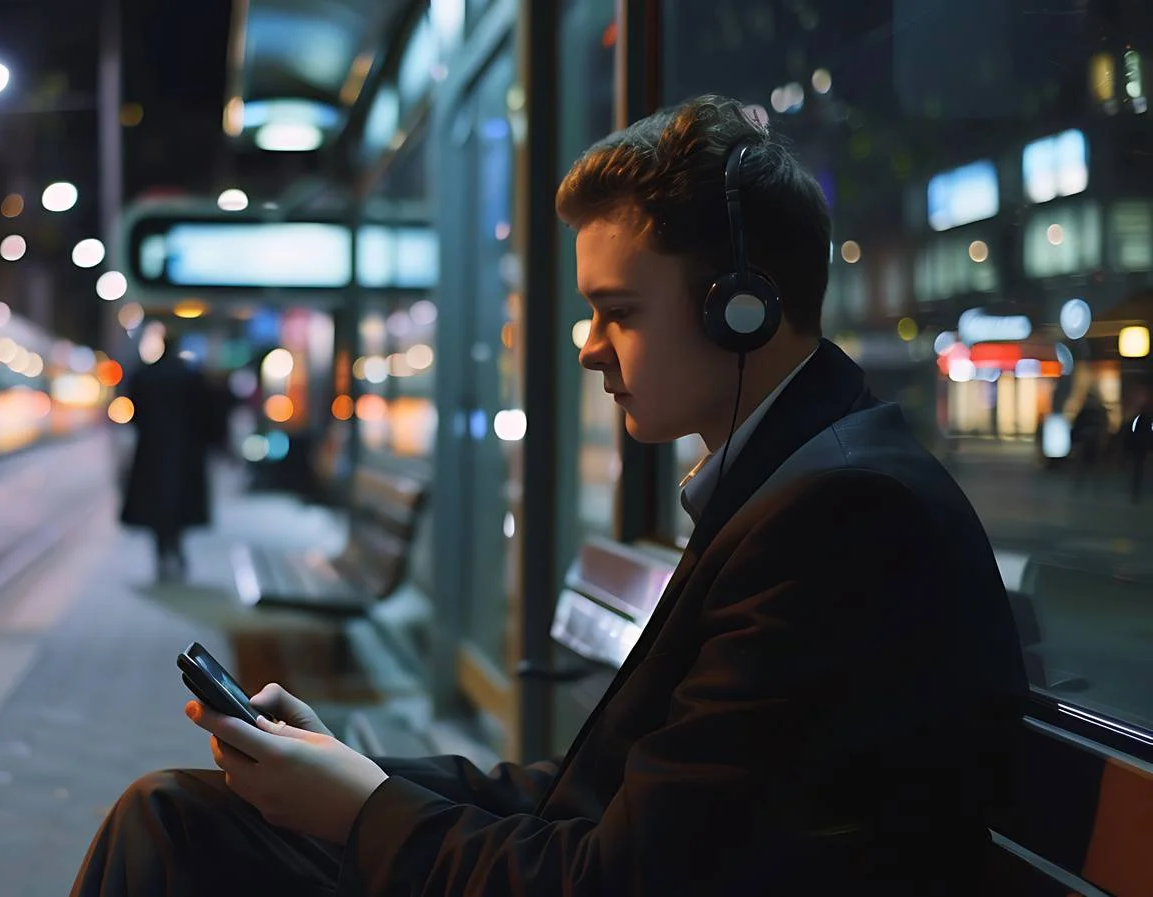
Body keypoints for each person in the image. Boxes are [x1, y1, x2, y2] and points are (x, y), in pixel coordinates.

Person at [71, 96, 1028, 896]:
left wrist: (361, 807)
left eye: (619, 312)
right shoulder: (797, 475)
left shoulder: (842, 520)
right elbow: (596, 795)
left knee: (175, 831)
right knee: (183, 817)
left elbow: (618, 873)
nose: (587, 344)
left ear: (743, 308)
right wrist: (355, 773)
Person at [118, 339, 219, 580]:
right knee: (179, 504)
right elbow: (206, 414)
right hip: (186, 452)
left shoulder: (145, 375)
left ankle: (163, 551)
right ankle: (175, 548)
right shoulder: (191, 377)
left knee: (156, 504)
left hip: (151, 450)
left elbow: (135, 412)